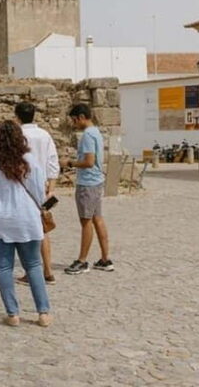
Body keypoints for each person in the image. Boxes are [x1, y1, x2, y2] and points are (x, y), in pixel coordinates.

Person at [0, 120, 52, 327]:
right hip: (28, 219)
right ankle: (43, 312)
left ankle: (13, 313)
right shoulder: (31, 162)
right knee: (34, 265)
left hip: (1, 220)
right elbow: (40, 193)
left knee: (4, 266)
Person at [61, 104, 114, 274]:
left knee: (86, 222)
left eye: (74, 120)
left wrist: (69, 163)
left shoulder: (87, 136)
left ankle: (82, 261)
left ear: (81, 117)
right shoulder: (96, 132)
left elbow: (89, 161)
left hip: (88, 183)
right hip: (96, 181)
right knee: (97, 219)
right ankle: (105, 259)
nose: (74, 124)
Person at [14, 102, 59, 285]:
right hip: (41, 186)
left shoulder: (18, 135)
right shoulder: (44, 135)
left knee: (25, 231)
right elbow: (53, 161)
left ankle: (30, 270)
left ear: (17, 116)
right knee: (42, 228)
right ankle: (47, 270)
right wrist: (52, 187)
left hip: (22, 186)